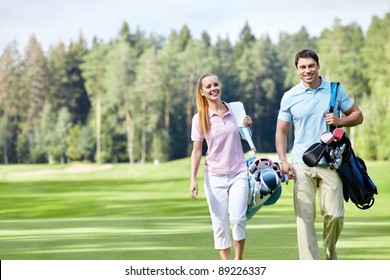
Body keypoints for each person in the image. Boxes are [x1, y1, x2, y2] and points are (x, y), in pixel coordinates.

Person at [275, 49, 364, 260]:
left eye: (311, 66)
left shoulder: (334, 90)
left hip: (331, 163)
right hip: (301, 164)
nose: (307, 70)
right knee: (304, 218)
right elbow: (281, 130)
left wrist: (339, 121)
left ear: (318, 66)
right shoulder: (289, 97)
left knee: (335, 214)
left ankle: (330, 255)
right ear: (297, 70)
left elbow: (358, 116)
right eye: (303, 67)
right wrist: (283, 160)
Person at [189, 73, 252, 260]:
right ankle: (226, 266)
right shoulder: (199, 118)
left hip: (239, 173)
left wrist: (247, 125)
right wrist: (193, 179)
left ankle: (238, 261)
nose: (213, 88)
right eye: (208, 86)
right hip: (214, 176)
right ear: (202, 92)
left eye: (215, 84)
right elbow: (197, 151)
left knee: (238, 218)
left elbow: (244, 136)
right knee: (220, 223)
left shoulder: (236, 110)